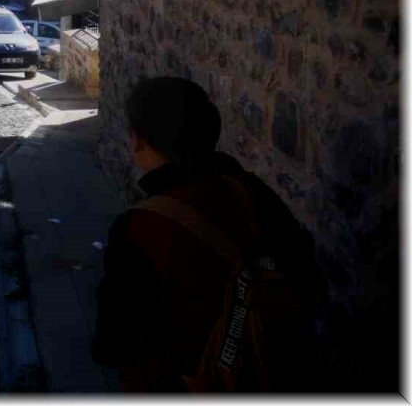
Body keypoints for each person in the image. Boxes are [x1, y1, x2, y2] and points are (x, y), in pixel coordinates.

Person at [92, 77, 319, 393]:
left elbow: (112, 345)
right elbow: (308, 281)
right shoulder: (254, 192)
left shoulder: (140, 228)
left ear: (138, 141)